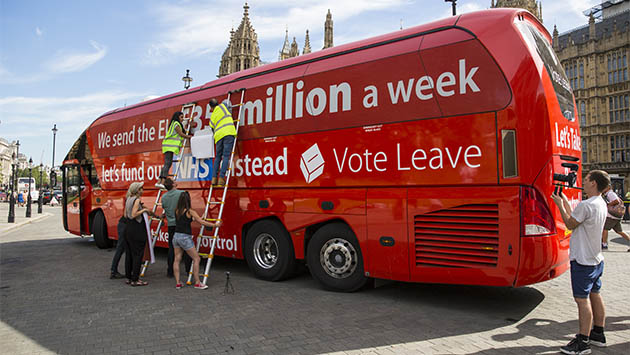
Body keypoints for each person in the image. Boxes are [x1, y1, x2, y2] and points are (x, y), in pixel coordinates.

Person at [551, 170, 609, 355]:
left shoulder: (586, 205)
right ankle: (598, 334)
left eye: (586, 180)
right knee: (595, 295)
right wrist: (567, 203)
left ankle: (583, 342)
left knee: (581, 301)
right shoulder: (600, 203)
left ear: (593, 183)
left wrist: (559, 205)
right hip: (596, 259)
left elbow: (569, 224)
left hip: (583, 260)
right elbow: (578, 219)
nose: (583, 182)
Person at [172, 191, 221, 290]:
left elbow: (185, 221)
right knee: (196, 258)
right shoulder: (190, 211)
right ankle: (198, 282)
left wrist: (199, 217)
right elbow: (201, 222)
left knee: (177, 259)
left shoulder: (176, 210)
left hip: (176, 236)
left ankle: (178, 283)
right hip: (185, 237)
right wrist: (214, 225)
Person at [160, 178, 192, 277]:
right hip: (182, 224)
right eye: (174, 181)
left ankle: (170, 271)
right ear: (173, 184)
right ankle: (188, 270)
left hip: (171, 225)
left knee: (172, 249)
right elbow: (188, 208)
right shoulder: (182, 193)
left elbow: (165, 209)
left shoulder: (164, 197)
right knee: (187, 248)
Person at [123, 182, 152, 286]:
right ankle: (135, 279)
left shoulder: (128, 199)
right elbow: (133, 214)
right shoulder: (137, 200)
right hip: (137, 229)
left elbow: (125, 215)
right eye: (141, 188)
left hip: (128, 228)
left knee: (129, 254)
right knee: (138, 254)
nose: (143, 190)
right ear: (137, 190)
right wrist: (143, 210)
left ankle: (128, 277)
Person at [156, 111, 192, 190]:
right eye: (181, 117)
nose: (182, 119)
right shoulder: (176, 124)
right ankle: (162, 182)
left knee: (166, 164)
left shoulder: (173, 123)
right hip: (169, 146)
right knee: (168, 164)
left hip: (167, 145)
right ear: (177, 117)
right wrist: (190, 137)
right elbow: (181, 134)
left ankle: (159, 181)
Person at [209, 98, 237, 186]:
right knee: (226, 156)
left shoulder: (212, 116)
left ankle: (214, 179)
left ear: (211, 108)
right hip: (228, 132)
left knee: (218, 157)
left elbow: (212, 128)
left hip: (218, 136)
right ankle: (221, 179)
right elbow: (228, 103)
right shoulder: (223, 106)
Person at [601, 185, 630, 252]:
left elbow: (616, 201)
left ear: (608, 187)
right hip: (616, 216)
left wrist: (608, 204)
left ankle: (604, 244)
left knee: (605, 229)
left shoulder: (610, 194)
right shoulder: (610, 194)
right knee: (619, 231)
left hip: (611, 216)